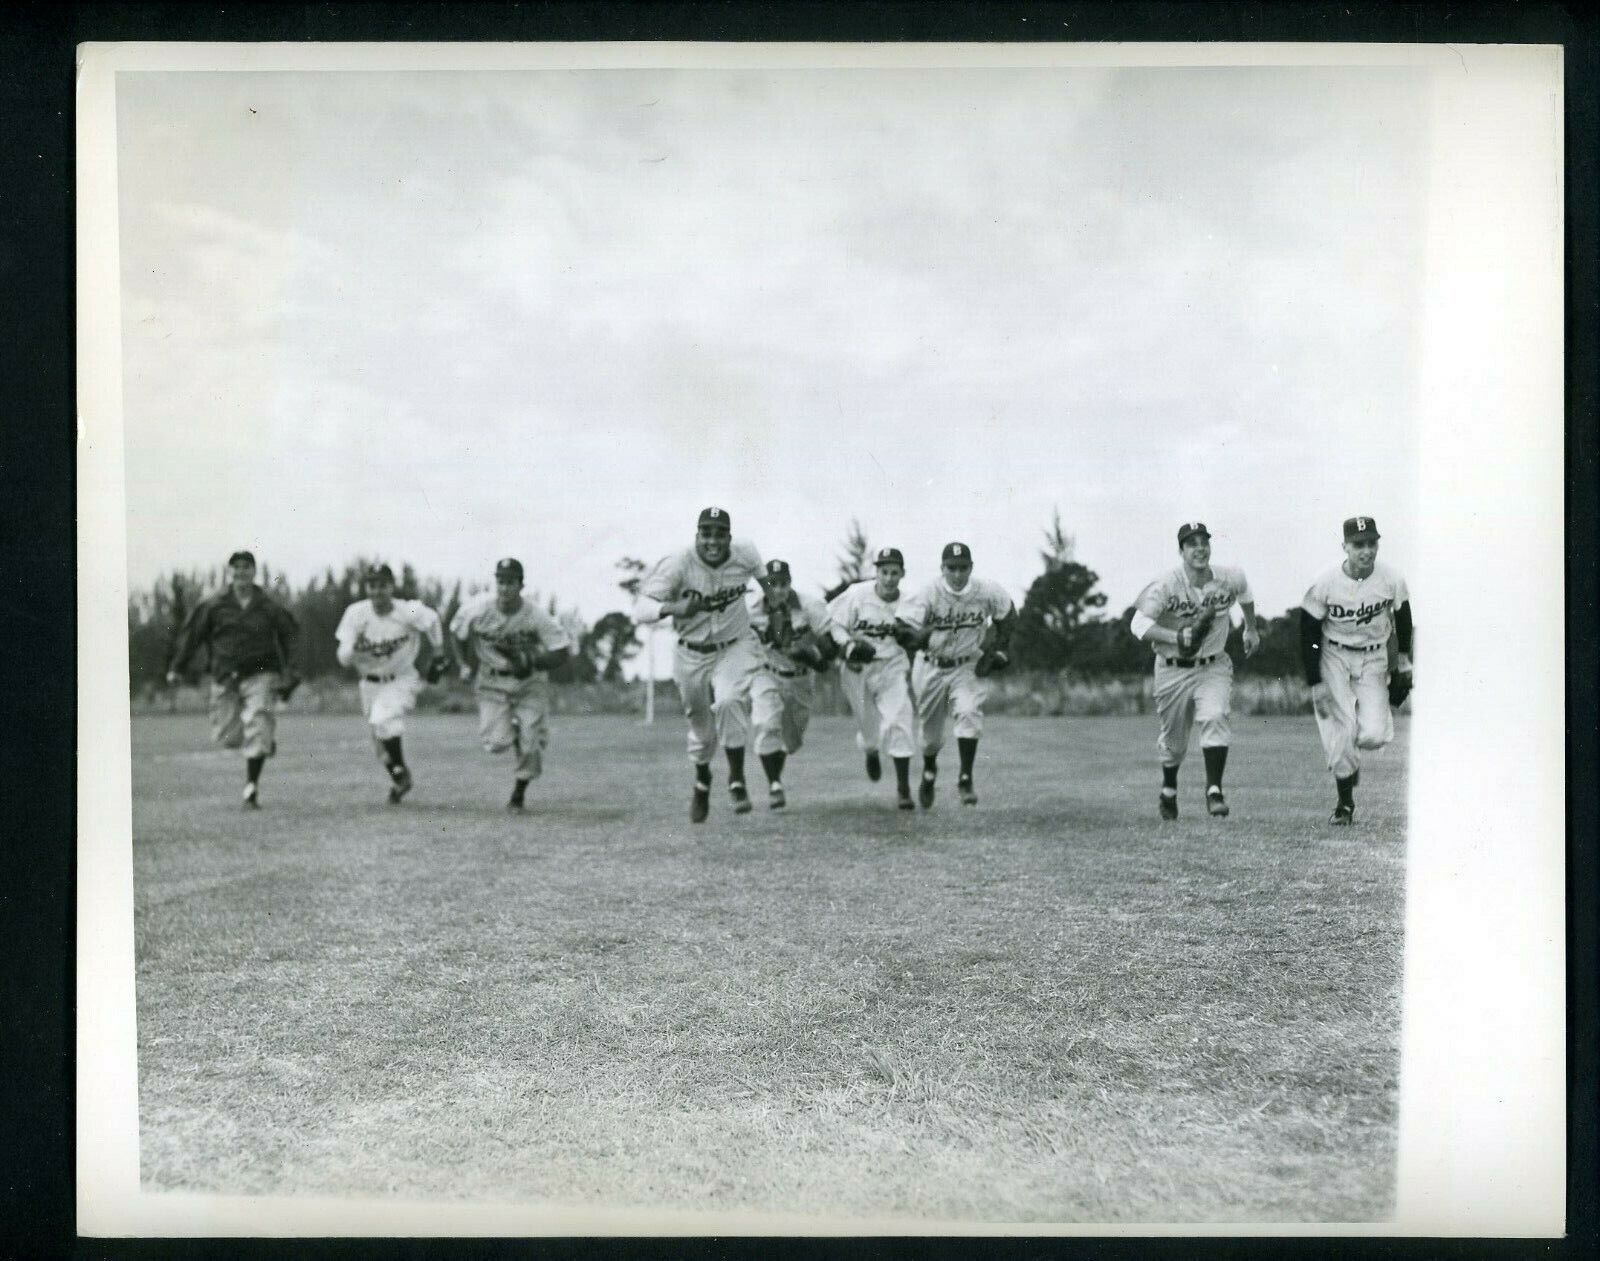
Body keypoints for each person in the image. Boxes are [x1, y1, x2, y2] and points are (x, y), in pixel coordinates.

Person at [634, 506, 765, 823]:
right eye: (706, 534)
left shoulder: (745, 552)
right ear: (697, 535)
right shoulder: (679, 562)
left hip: (734, 644)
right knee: (701, 729)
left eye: (720, 535)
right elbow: (642, 607)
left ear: (729, 538)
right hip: (691, 652)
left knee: (730, 700)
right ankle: (702, 779)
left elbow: (767, 581)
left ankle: (736, 777)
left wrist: (777, 604)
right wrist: (674, 607)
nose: (713, 541)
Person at [1129, 522, 1260, 820]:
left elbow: (1246, 593)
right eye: (1192, 544)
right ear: (1181, 551)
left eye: (1204, 542)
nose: (1199, 548)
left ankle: (1214, 790)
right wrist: (1174, 637)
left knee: (1215, 716)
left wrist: (1251, 629)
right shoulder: (1164, 584)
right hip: (1172, 669)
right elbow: (1138, 625)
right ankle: (1169, 789)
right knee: (1174, 744)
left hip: (1213, 665)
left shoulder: (1229, 577)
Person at [1299, 516, 1414, 825]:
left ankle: (1350, 762)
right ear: (1345, 547)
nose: (1366, 551)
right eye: (1358, 545)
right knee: (1340, 730)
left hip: (1374, 657)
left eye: (1371, 543)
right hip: (1333, 655)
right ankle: (1345, 804)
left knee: (1374, 735)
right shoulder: (1325, 581)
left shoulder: (1391, 578)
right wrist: (1315, 682)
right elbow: (1308, 631)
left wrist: (1404, 660)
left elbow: (1403, 618)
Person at [165, 549, 299, 808]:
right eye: (236, 567)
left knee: (258, 725)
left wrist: (291, 672)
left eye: (246, 567)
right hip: (225, 676)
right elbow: (192, 636)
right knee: (228, 737)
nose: (241, 572)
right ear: (230, 572)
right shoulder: (214, 605)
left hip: (261, 674)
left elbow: (290, 637)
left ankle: (251, 788)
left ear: (254, 571)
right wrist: (177, 667)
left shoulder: (268, 606)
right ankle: (263, 740)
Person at [894, 542, 1017, 809]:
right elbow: (902, 628)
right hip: (931, 666)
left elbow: (1008, 616)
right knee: (931, 736)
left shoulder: (986, 591)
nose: (958, 574)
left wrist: (999, 650)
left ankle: (965, 778)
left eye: (963, 568)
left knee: (970, 712)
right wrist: (920, 636)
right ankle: (929, 771)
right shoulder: (928, 592)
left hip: (966, 664)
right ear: (942, 568)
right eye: (952, 568)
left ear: (971, 567)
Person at [448, 557, 573, 812]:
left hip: (529, 683)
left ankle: (519, 792)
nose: (504, 588)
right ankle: (520, 732)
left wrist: (534, 660)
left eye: (511, 582)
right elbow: (456, 632)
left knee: (530, 742)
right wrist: (463, 663)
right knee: (495, 743)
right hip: (492, 681)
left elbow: (561, 650)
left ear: (521, 585)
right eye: (500, 581)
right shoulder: (478, 608)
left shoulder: (535, 614)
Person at [333, 564, 449, 804]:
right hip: (370, 683)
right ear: (366, 587)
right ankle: (399, 778)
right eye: (372, 585)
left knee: (384, 720)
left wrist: (438, 653)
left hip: (401, 678)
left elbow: (433, 620)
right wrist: (348, 651)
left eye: (382, 585)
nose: (377, 591)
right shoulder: (356, 613)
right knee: (379, 741)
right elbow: (343, 652)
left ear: (391, 586)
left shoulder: (407, 611)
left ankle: (399, 771)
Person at [828, 546, 918, 810]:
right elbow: (832, 622)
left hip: (892, 666)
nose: (889, 578)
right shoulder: (858, 594)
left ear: (902, 573)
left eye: (894, 572)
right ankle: (870, 751)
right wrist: (848, 645)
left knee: (899, 720)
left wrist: (914, 636)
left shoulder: (911, 601)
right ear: (876, 572)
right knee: (869, 732)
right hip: (858, 669)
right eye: (884, 571)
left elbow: (920, 631)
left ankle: (903, 789)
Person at [746, 559, 838, 809]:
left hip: (800, 677)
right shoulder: (750, 607)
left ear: (791, 583)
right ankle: (774, 783)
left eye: (783, 584)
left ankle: (777, 775)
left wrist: (815, 654)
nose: (778, 590)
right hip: (767, 672)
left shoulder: (810, 606)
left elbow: (830, 641)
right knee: (767, 724)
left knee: (792, 738)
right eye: (772, 584)